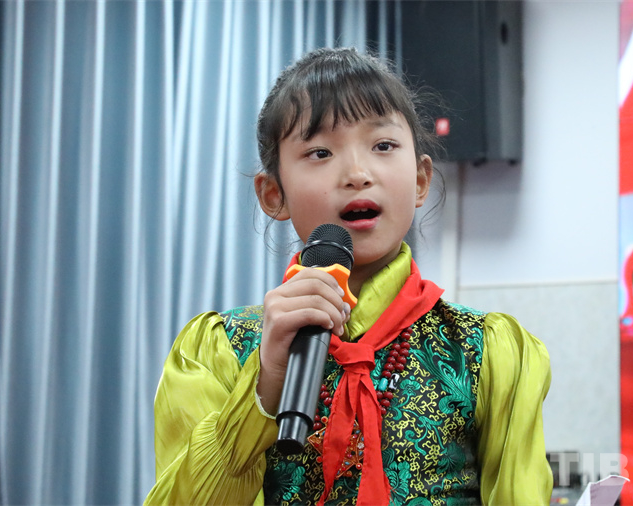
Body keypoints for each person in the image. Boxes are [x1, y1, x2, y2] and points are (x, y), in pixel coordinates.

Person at [144, 47, 552, 506]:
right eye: (320, 152)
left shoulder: (485, 352)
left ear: (421, 179)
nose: (357, 174)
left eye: (383, 146)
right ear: (274, 194)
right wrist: (265, 382)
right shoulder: (219, 350)